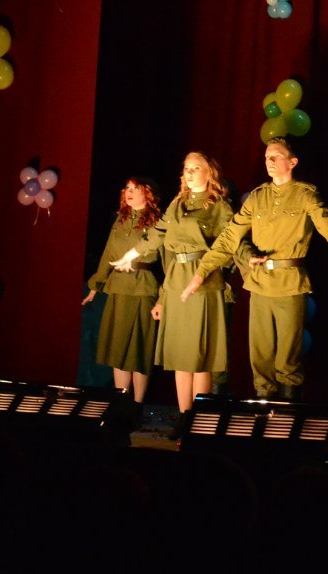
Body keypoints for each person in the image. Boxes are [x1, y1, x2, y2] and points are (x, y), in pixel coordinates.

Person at [182, 137, 328, 401]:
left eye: (276, 157)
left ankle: (287, 412)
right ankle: (265, 409)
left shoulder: (305, 194)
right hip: (260, 283)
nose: (270, 161)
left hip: (290, 283)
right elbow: (229, 237)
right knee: (260, 356)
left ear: (292, 162)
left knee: (288, 358)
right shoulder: (257, 197)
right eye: (267, 157)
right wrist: (201, 272)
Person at [113, 153, 237, 437]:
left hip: (203, 278)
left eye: (196, 168)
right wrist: (132, 254)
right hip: (178, 277)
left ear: (209, 173)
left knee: (199, 356)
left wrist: (244, 262)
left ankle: (198, 420)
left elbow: (231, 243)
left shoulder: (219, 206)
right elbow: (157, 233)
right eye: (186, 168)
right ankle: (183, 417)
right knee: (182, 355)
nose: (189, 172)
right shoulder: (177, 203)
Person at [82, 178, 162, 419]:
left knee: (138, 349)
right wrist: (96, 285)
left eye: (135, 188)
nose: (130, 192)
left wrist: (164, 297)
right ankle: (121, 401)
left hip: (142, 289)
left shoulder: (157, 222)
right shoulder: (120, 219)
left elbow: (165, 259)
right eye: (127, 188)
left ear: (148, 193)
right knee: (117, 349)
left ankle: (137, 405)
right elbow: (108, 252)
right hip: (118, 288)